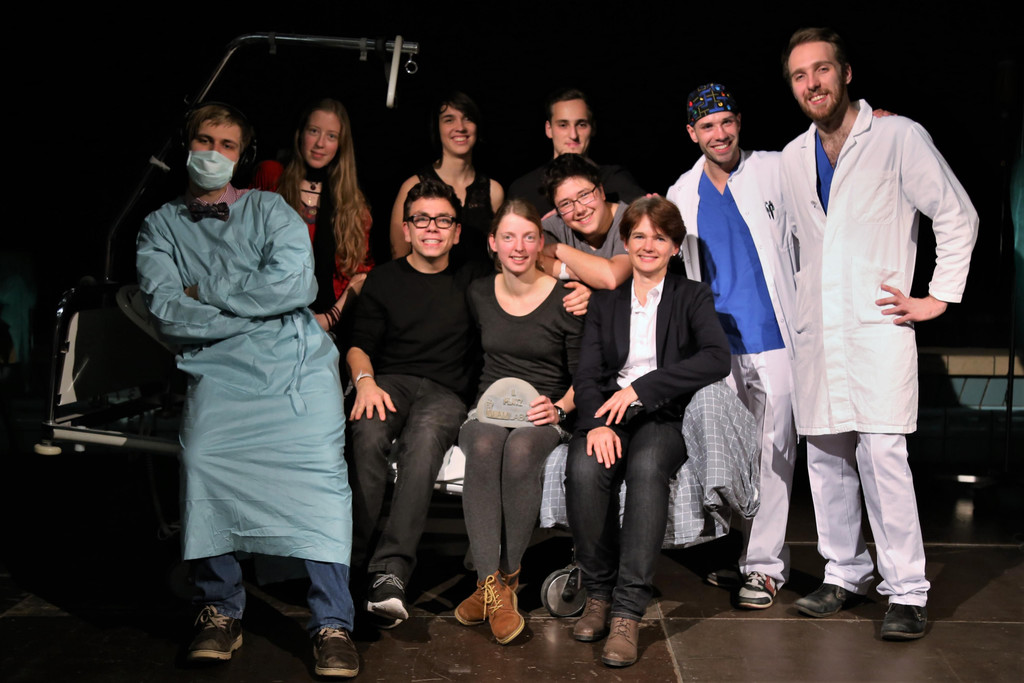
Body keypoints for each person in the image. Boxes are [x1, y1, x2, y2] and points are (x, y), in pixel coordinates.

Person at [136, 103, 359, 677]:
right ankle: (219, 607)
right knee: (202, 457)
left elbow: (297, 284)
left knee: (320, 475)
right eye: (204, 141)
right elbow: (169, 313)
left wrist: (204, 289)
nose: (214, 153)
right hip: (219, 369)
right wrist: (252, 312)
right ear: (187, 146)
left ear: (242, 156)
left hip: (294, 366)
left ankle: (332, 620)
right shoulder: (159, 226)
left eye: (227, 145)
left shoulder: (270, 209)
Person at [779, 28, 978, 640]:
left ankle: (907, 591)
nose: (812, 83)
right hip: (819, 333)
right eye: (799, 75)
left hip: (877, 326)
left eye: (821, 69)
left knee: (883, 458)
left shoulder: (897, 137)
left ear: (845, 73)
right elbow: (792, 245)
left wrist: (938, 297)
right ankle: (844, 572)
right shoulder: (792, 156)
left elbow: (956, 214)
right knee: (826, 460)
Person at [566, 197, 730, 667]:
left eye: (660, 237)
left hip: (664, 413)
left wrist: (643, 388)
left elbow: (717, 358)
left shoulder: (692, 295)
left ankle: (627, 611)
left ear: (675, 246)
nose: (648, 245)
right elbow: (587, 374)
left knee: (646, 468)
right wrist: (596, 424)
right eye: (639, 235)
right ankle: (598, 594)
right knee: (584, 468)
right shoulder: (606, 301)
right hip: (610, 412)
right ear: (625, 242)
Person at [666, 83, 797, 610]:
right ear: (692, 133)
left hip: (776, 337)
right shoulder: (682, 192)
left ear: (739, 122)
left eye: (726, 122)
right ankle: (743, 553)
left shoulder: (776, 168)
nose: (719, 133)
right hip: (720, 345)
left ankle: (765, 567)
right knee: (731, 453)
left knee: (776, 453)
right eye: (707, 125)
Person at [346, 178, 487, 628]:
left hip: (445, 391)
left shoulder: (474, 278)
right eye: (422, 219)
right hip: (388, 382)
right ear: (406, 228)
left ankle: (390, 572)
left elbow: (522, 284)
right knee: (368, 433)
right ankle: (349, 563)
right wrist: (365, 383)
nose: (432, 228)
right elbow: (358, 345)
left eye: (443, 220)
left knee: (424, 443)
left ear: (457, 232)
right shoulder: (384, 279)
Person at [453, 200, 584, 645]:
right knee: (485, 444)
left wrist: (560, 408)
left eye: (529, 236)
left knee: (522, 448)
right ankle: (494, 587)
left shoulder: (566, 298)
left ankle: (501, 582)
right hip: (488, 410)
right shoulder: (478, 293)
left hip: (543, 412)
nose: (519, 246)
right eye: (508, 236)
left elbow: (584, 374)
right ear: (493, 243)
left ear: (541, 242)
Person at [250, 98, 373, 341]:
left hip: (325, 323)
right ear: (300, 133)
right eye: (314, 131)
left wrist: (329, 318)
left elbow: (362, 275)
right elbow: (243, 247)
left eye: (331, 136)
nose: (320, 143)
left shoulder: (353, 203)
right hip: (265, 315)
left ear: (341, 144)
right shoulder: (272, 176)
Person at [389, 92, 503, 268]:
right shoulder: (413, 185)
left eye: (468, 119)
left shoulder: (493, 190)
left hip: (480, 284)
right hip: (427, 284)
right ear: (437, 127)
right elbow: (399, 257)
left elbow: (500, 256)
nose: (460, 127)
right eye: (449, 120)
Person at [507, 88, 644, 215]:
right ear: (549, 129)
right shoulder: (523, 188)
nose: (573, 135)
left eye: (581, 125)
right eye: (563, 125)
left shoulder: (615, 180)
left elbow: (646, 219)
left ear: (593, 128)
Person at [539, 153, 633, 290]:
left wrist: (557, 249)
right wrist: (571, 271)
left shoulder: (632, 220)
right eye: (566, 204)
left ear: (601, 191)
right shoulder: (555, 225)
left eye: (584, 195)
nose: (579, 209)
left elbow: (612, 277)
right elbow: (519, 260)